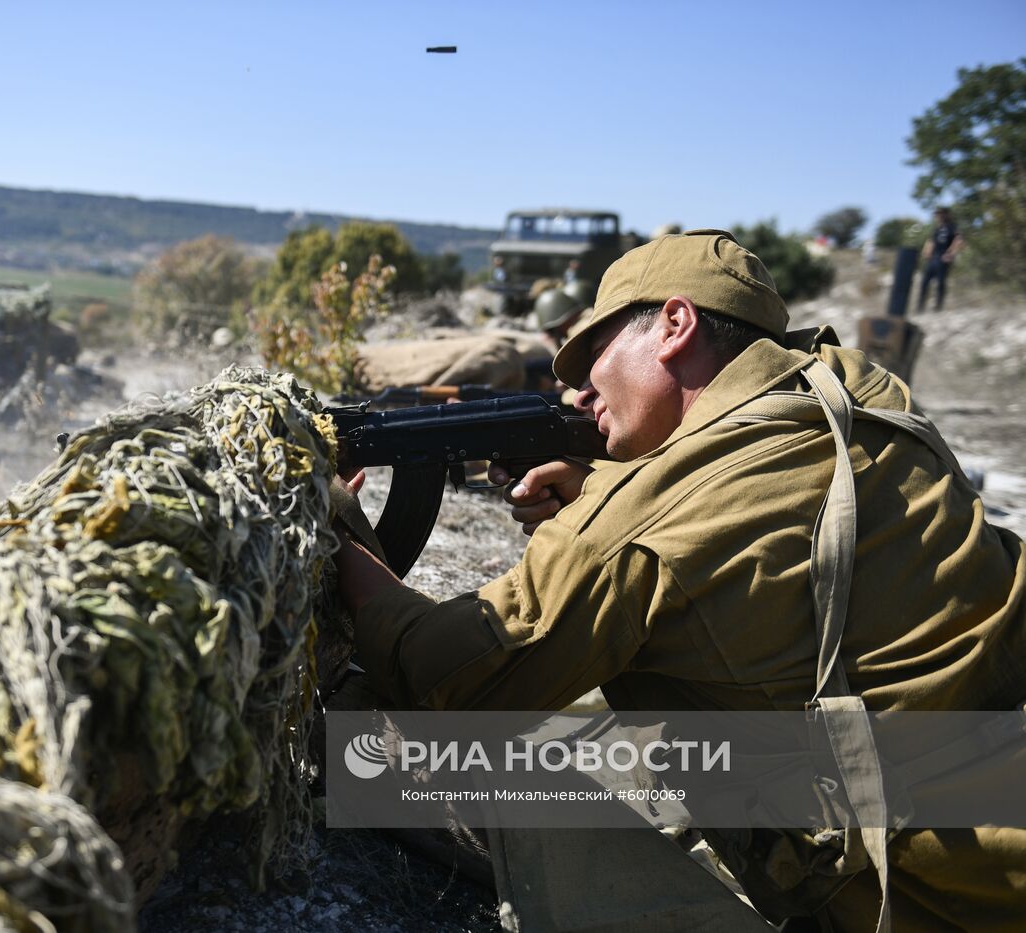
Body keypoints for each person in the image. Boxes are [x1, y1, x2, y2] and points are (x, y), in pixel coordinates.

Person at [331, 230, 1026, 931]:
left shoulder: (643, 522)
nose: (580, 389)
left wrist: (338, 525)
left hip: (924, 906)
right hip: (995, 835)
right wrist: (600, 483)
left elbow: (440, 673)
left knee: (376, 744)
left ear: (674, 324)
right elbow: (757, 528)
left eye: (597, 352)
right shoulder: (862, 393)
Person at [917, 207, 965, 312]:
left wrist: (950, 254)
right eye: (936, 214)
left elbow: (958, 240)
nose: (938, 216)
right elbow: (931, 241)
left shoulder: (952, 227)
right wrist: (926, 251)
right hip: (933, 258)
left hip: (943, 259)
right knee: (924, 282)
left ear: (946, 214)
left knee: (940, 284)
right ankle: (920, 308)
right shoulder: (937, 228)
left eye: (940, 214)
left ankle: (938, 308)